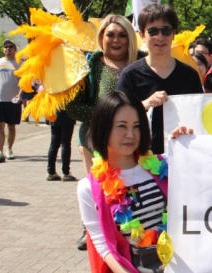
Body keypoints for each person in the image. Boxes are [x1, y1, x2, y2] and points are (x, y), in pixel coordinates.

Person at [77, 91, 192, 273]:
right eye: (121, 126)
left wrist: (187, 144)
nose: (130, 134)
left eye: (137, 126)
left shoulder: (164, 166)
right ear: (102, 128)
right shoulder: (89, 188)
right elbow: (102, 243)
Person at [117, 4, 203, 154]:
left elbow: (199, 116)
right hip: (140, 156)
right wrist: (143, 104)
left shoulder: (190, 75)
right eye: (153, 31)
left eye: (166, 30)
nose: (160, 37)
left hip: (183, 154)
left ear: (174, 33)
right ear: (142, 35)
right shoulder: (130, 75)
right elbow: (116, 115)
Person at [67, 14, 141, 177]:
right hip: (96, 144)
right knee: (103, 198)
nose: (116, 40)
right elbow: (73, 107)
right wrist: (107, 117)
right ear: (101, 37)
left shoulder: (143, 64)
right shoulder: (87, 67)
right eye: (110, 35)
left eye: (122, 35)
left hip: (136, 144)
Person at [0, 39, 22, 163]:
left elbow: (24, 82)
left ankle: (9, 149)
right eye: (6, 47)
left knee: (11, 127)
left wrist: (20, 94)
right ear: (3, 49)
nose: (8, 49)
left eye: (10, 47)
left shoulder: (19, 63)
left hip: (13, 100)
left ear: (14, 49)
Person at [46, 110, 77, 181]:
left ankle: (51, 172)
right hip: (66, 114)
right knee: (65, 144)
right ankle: (65, 172)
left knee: (54, 144)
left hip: (53, 113)